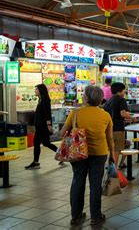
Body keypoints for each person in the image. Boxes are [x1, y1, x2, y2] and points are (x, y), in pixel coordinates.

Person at [60, 86, 114, 226]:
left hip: (78, 153)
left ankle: (76, 216)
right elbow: (110, 138)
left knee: (78, 181)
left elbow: (62, 133)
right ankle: (96, 216)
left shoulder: (76, 113)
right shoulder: (105, 115)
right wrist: (113, 154)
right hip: (99, 153)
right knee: (96, 185)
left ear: (87, 98)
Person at [25, 84, 59, 169]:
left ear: (41, 90)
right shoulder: (41, 100)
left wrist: (48, 125)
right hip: (40, 126)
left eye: (36, 89)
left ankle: (61, 154)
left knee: (44, 143)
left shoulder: (45, 100)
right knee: (40, 143)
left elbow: (47, 113)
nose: (35, 91)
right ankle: (36, 162)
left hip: (43, 126)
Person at [104, 82, 131, 169]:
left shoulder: (109, 101)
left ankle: (113, 165)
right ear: (120, 91)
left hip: (109, 129)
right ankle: (113, 169)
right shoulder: (121, 99)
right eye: (124, 91)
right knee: (117, 149)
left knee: (113, 148)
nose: (124, 93)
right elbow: (123, 114)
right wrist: (130, 116)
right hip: (118, 129)